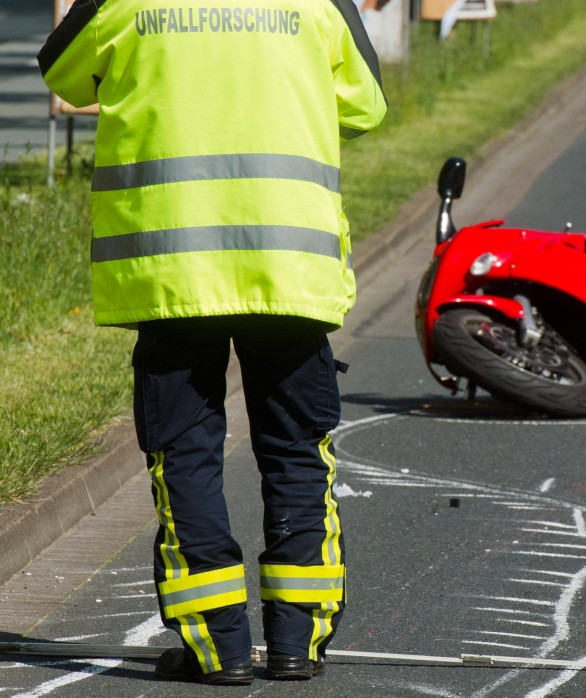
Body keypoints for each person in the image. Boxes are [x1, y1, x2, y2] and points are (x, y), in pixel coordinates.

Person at [38, 0, 387, 685]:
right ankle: (297, 642)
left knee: (185, 456)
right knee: (296, 452)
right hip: (287, 267)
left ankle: (217, 647)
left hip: (171, 273)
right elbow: (366, 107)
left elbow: (65, 76)